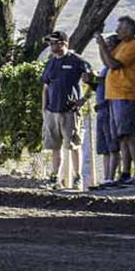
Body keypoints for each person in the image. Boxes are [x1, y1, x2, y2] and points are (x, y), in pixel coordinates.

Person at [95, 17, 135, 188]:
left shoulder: (133, 46)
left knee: (128, 135)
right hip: (115, 95)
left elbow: (113, 64)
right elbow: (107, 61)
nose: (117, 32)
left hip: (125, 94)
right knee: (121, 137)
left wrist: (103, 45)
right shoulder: (122, 45)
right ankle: (125, 173)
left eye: (120, 29)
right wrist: (102, 46)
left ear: (129, 30)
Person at [39, 31, 91, 192]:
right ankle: (55, 178)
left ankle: (77, 178)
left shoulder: (77, 61)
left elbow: (92, 80)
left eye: (55, 43)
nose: (52, 47)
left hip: (70, 111)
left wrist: (84, 99)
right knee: (55, 147)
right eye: (50, 44)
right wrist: (44, 109)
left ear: (64, 43)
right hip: (52, 112)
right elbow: (45, 87)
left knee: (74, 145)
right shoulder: (50, 63)